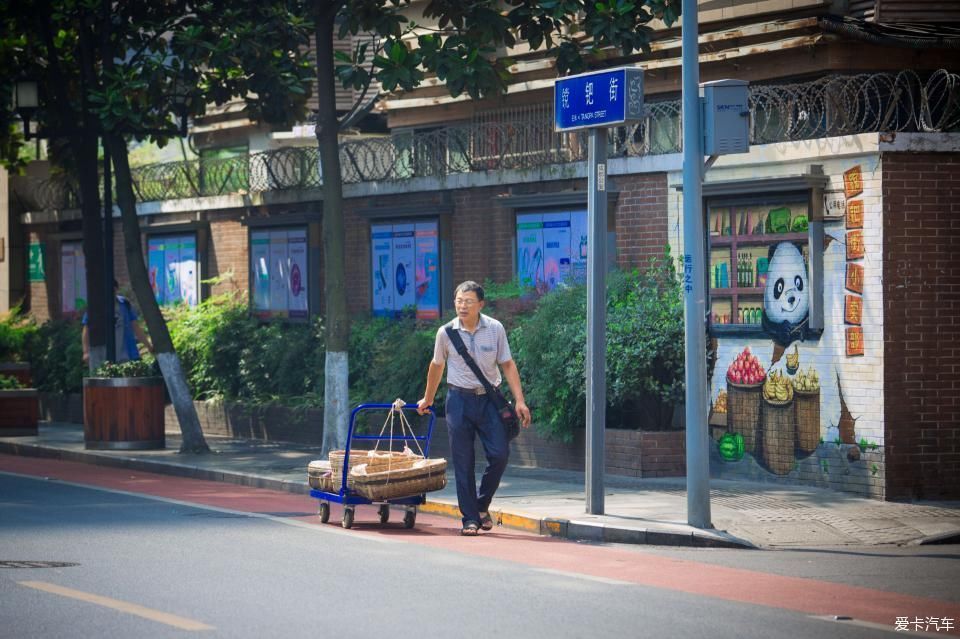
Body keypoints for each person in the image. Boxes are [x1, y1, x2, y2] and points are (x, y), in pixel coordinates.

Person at [417, 280, 531, 536]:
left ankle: (481, 504)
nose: (463, 306)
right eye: (459, 301)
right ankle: (470, 518)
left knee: (500, 455)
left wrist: (520, 400)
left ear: (480, 304)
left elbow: (508, 364)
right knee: (463, 460)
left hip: (490, 401)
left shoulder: (495, 328)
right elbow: (436, 367)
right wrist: (427, 399)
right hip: (458, 401)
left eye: (468, 301)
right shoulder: (445, 333)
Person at [82, 281, 153, 365]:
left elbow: (135, 327)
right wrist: (86, 352)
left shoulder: (125, 304)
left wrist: (149, 346)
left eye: (113, 290)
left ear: (116, 289)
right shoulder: (96, 306)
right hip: (104, 356)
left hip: (126, 355)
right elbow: (87, 329)